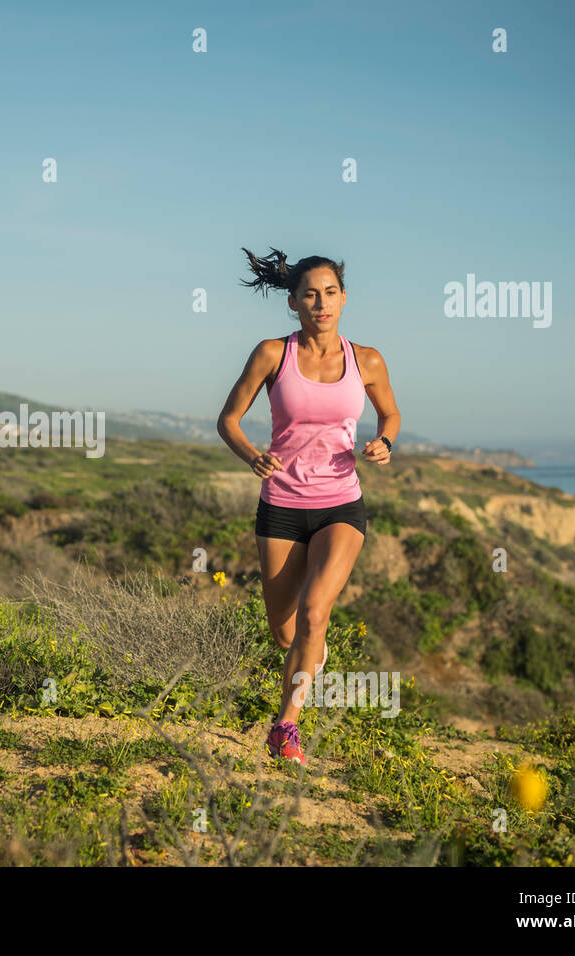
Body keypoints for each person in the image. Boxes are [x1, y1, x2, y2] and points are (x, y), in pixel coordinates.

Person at [216, 247, 401, 766]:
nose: (321, 303)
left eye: (331, 293)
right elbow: (228, 420)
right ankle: (307, 660)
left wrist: (385, 442)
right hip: (281, 503)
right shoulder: (273, 354)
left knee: (316, 612)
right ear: (294, 302)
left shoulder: (367, 359)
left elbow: (391, 413)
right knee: (285, 629)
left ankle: (286, 727)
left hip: (341, 502)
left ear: (344, 299)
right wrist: (253, 455)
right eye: (311, 295)